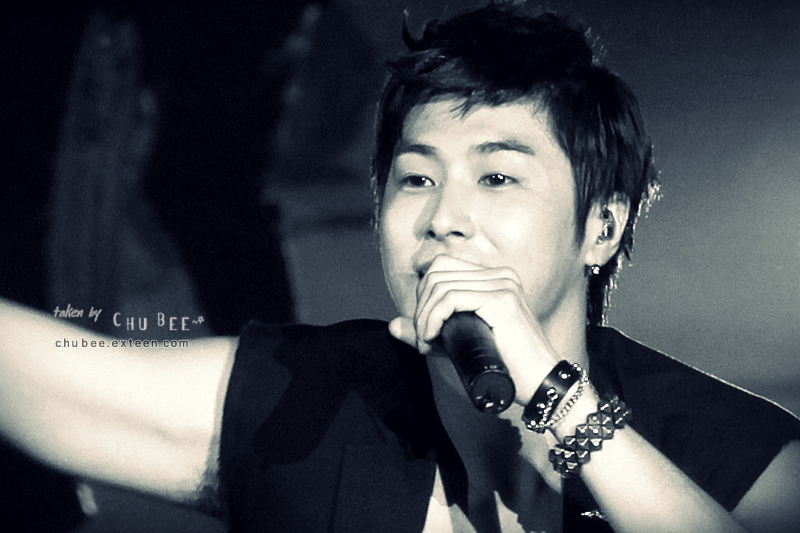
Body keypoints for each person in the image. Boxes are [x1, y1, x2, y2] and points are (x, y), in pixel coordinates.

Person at [2, 3, 800, 532]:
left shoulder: (733, 452)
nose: (443, 215)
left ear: (602, 226)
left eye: (497, 175)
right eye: (416, 178)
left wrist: (562, 403)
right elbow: (35, 376)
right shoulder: (307, 403)